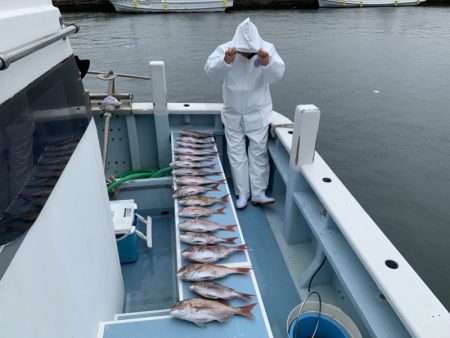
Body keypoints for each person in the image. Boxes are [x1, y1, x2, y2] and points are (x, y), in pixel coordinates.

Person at [204, 18, 285, 209]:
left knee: (258, 154)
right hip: (233, 112)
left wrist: (267, 63)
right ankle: (242, 193)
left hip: (258, 112)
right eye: (244, 51)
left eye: (250, 52)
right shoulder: (225, 49)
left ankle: (259, 193)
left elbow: (276, 76)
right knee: (236, 154)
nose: (247, 55)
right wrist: (226, 62)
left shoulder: (268, 48)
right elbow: (211, 72)